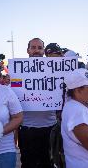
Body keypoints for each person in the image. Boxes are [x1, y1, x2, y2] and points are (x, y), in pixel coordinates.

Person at [18, 38, 56, 168]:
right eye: (33, 47)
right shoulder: (18, 71)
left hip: (50, 127)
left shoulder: (54, 69)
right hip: (27, 128)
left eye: (39, 48)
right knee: (28, 164)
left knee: (49, 163)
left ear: (44, 51)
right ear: (28, 50)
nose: (36, 51)